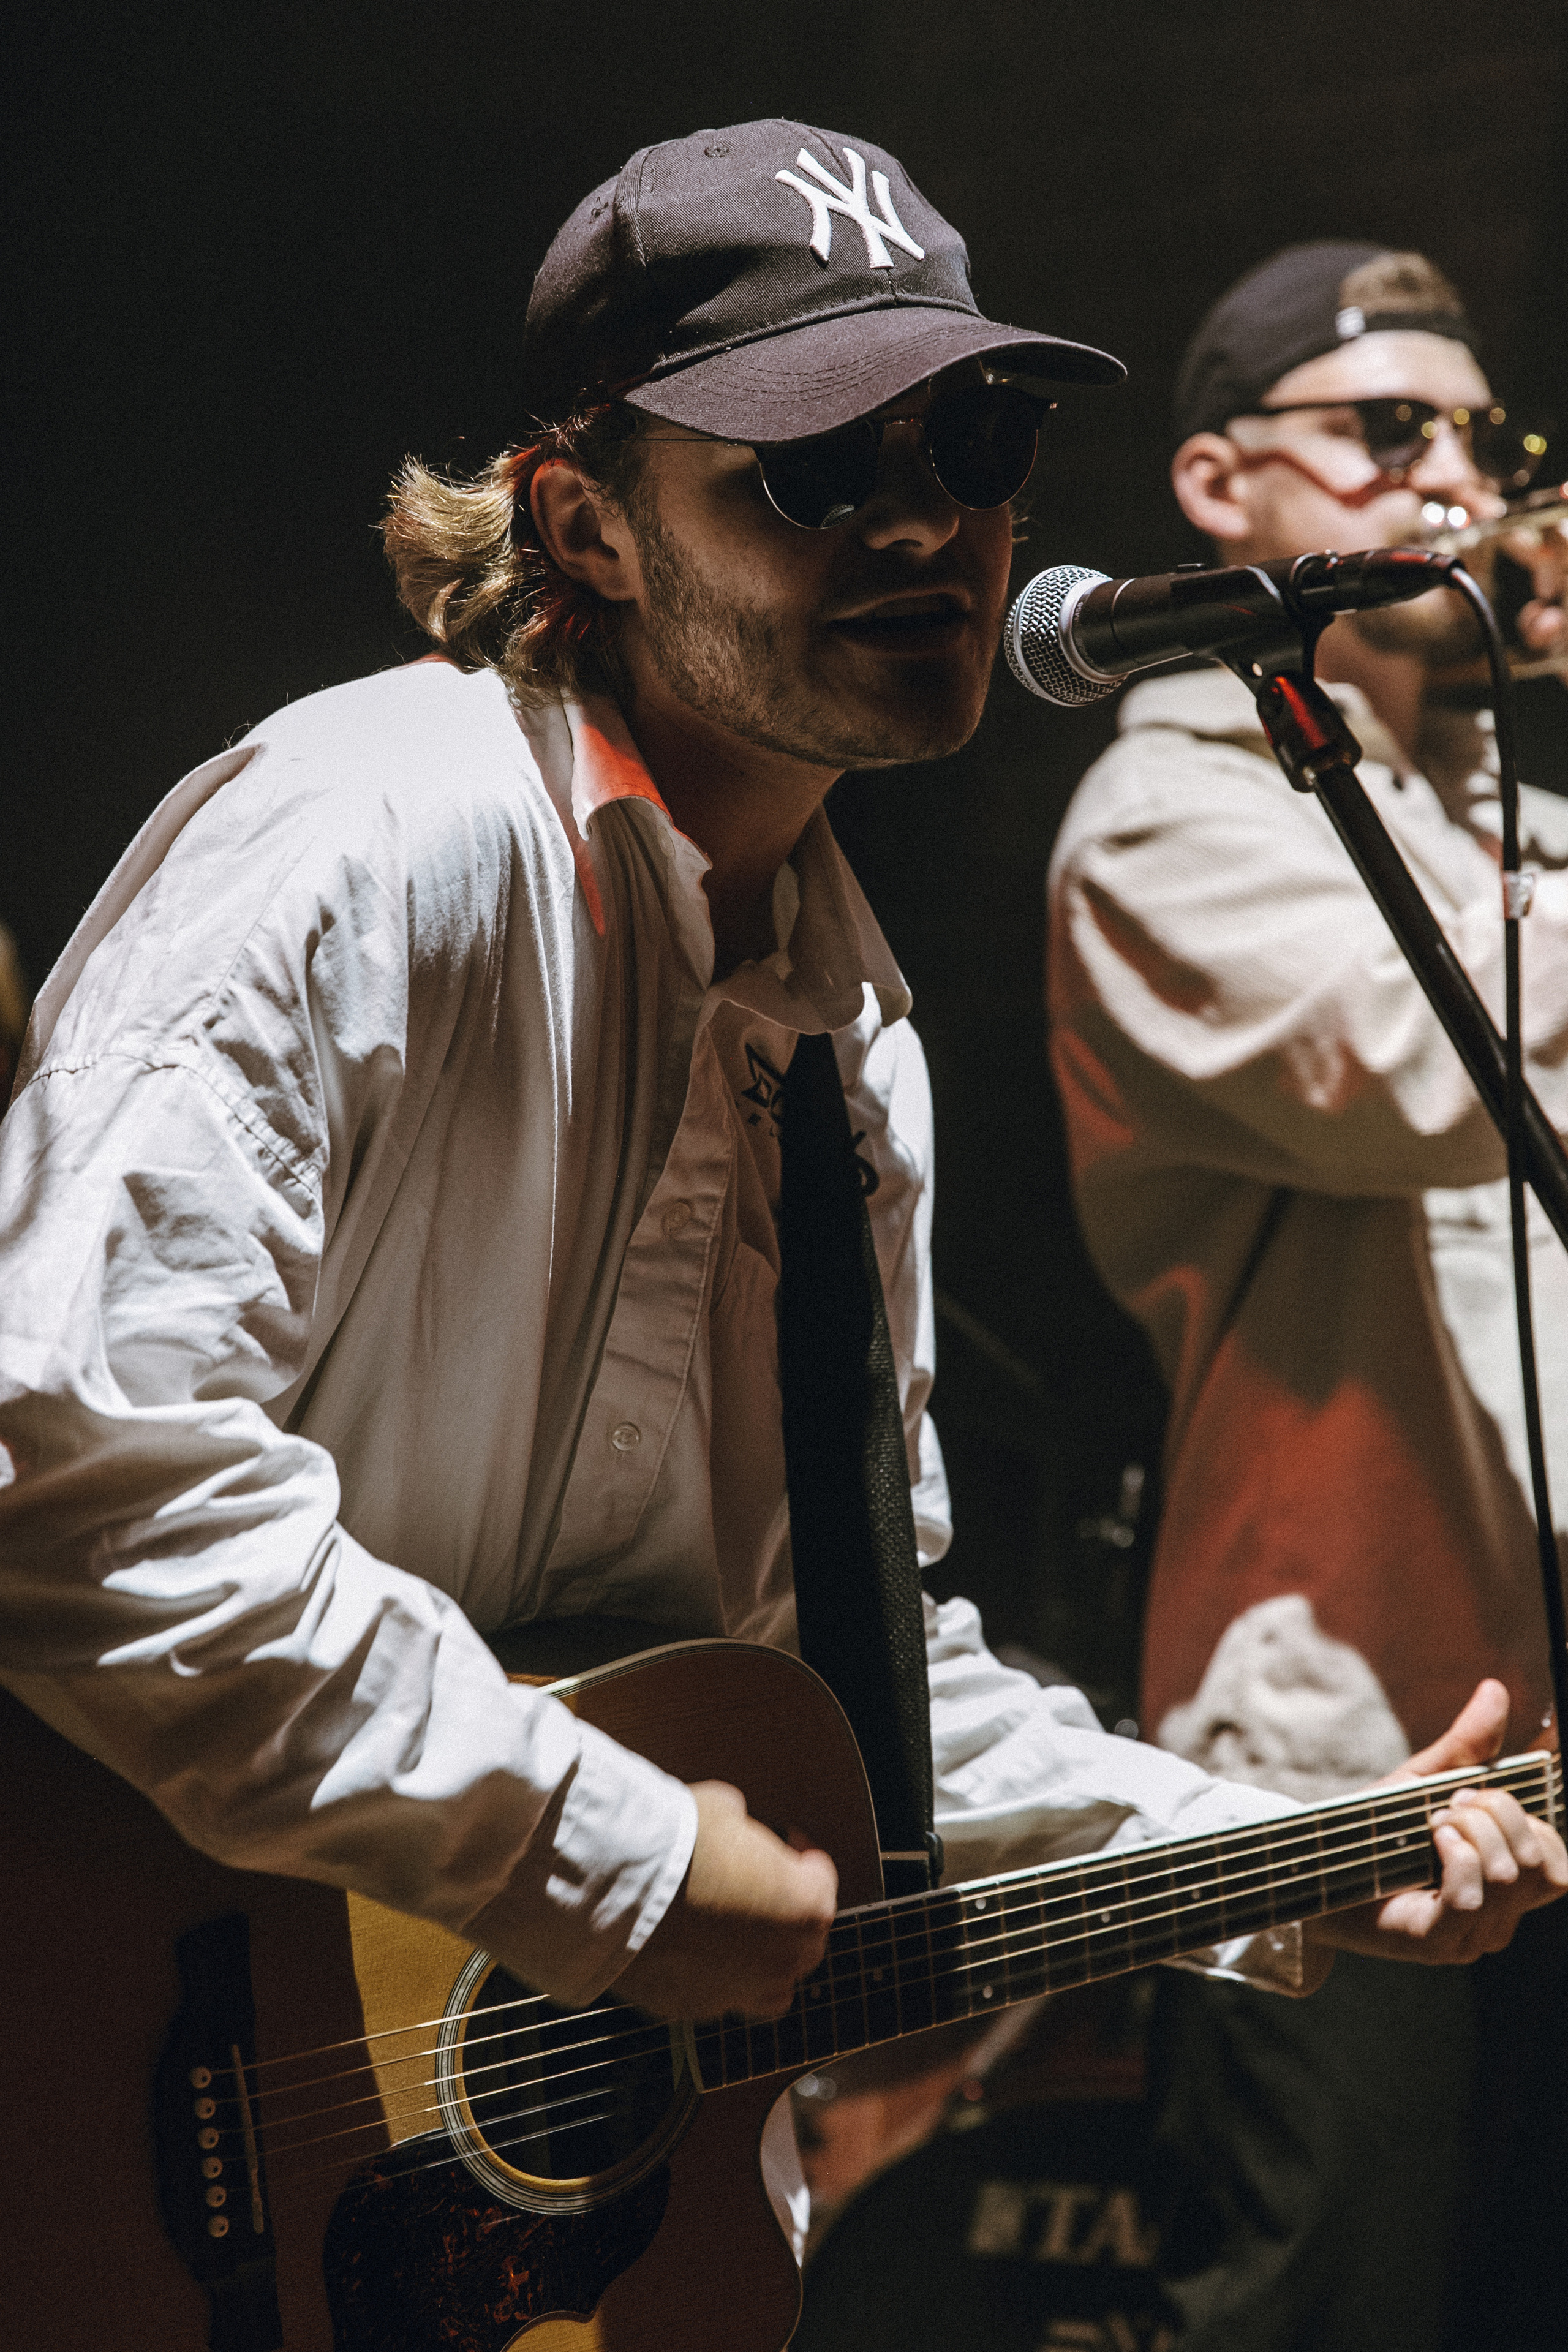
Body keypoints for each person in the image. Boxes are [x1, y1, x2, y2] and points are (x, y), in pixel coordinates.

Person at [1, 144, 1559, 2267]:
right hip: (133, 2077)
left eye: (972, 438)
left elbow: (861, 1669)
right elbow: (84, 1471)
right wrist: (609, 1857)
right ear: (586, 525)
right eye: (810, 468)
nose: (924, 518)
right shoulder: (370, 844)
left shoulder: (849, 1038)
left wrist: (1274, 1851)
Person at [1047, 241, 1568, 2348]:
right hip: (1348, 1759)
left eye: (1477, 435)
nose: (1449, 475)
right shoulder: (1167, 811)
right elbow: (1445, 1060)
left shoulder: (1480, 813)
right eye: (1383, 431)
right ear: (1214, 486)